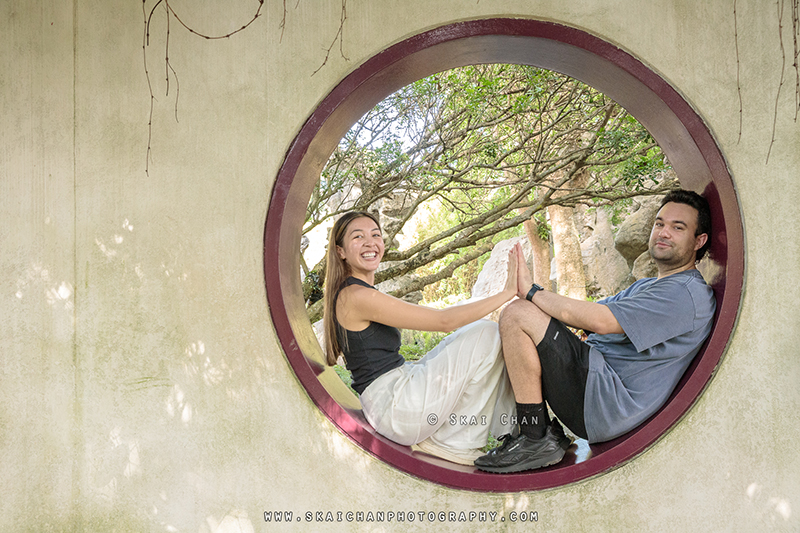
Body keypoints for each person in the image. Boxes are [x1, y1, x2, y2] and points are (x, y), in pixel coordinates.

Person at [474, 189, 716, 473]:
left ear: (699, 241)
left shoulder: (685, 294)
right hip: (595, 384)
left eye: (678, 227)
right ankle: (535, 433)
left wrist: (531, 292)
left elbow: (600, 320)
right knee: (523, 319)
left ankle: (533, 438)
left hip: (605, 401)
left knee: (517, 314)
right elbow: (589, 318)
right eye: (660, 223)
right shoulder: (650, 286)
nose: (663, 232)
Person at [322, 211, 518, 465]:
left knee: (479, 336)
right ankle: (461, 441)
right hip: (394, 406)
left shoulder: (355, 292)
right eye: (358, 237)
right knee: (485, 333)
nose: (370, 243)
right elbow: (444, 321)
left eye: (376, 235)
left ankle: (487, 436)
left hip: (393, 398)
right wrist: (508, 292)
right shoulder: (355, 296)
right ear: (341, 251)